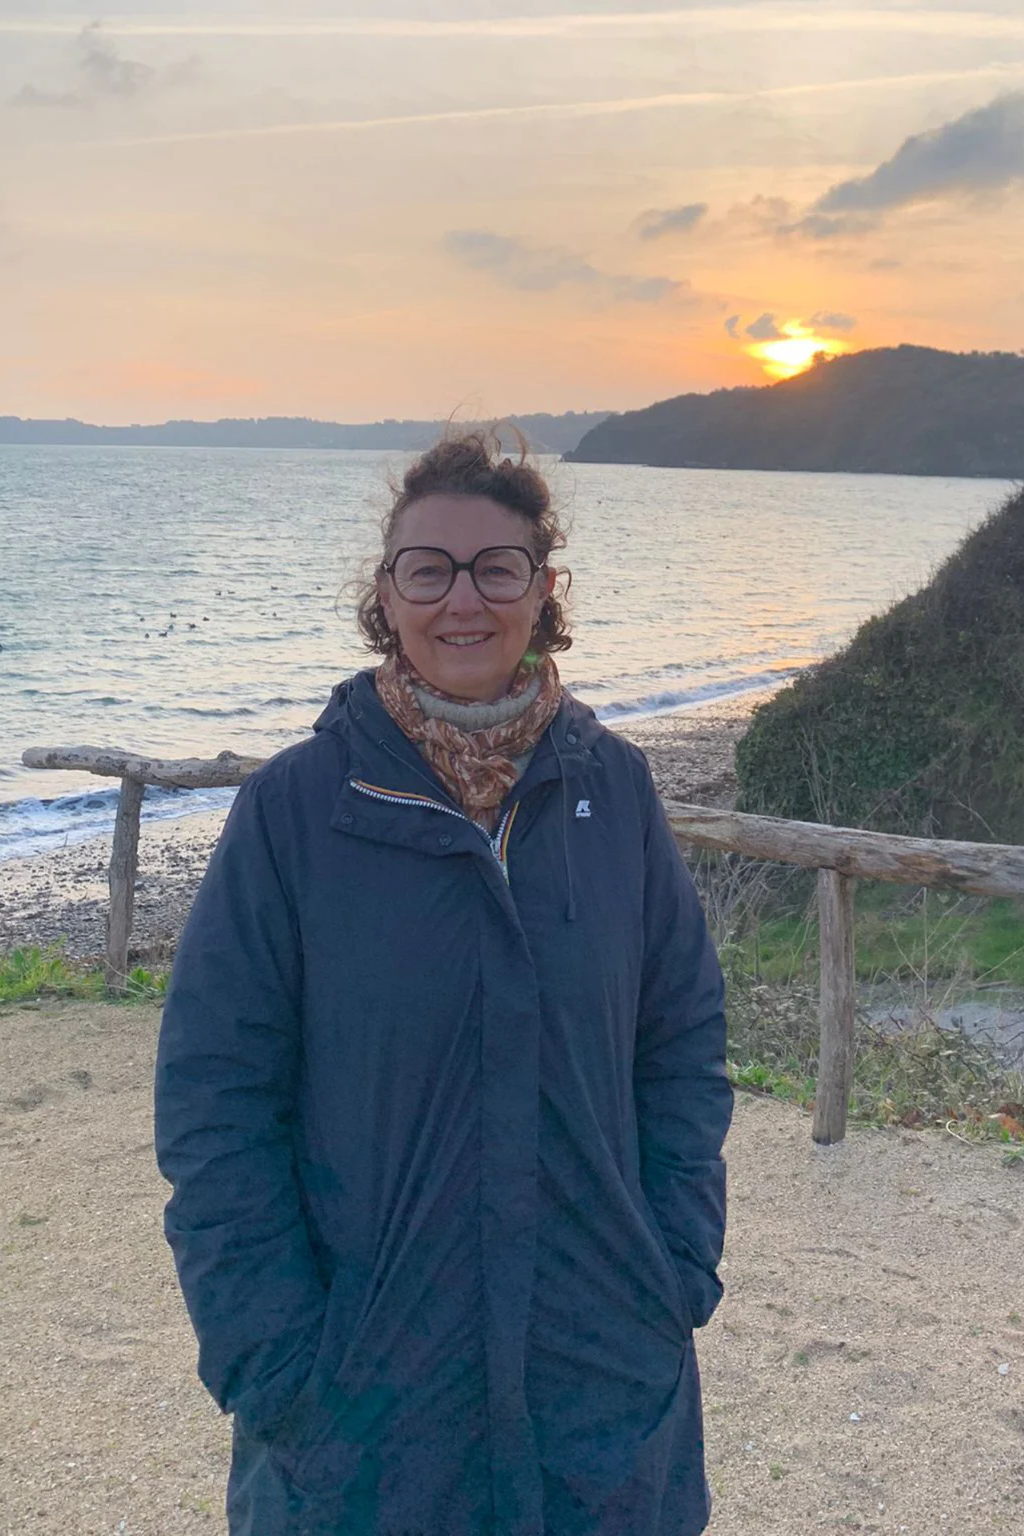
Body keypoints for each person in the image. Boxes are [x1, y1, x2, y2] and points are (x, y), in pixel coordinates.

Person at [154, 429, 733, 1535]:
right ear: (386, 594)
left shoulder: (610, 790)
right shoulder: (299, 807)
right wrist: (270, 1358)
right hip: (366, 1384)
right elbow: (214, 1099)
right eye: (429, 568)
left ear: (542, 590)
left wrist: (676, 1268)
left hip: (600, 1360)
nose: (462, 600)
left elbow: (681, 1041)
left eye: (496, 567)